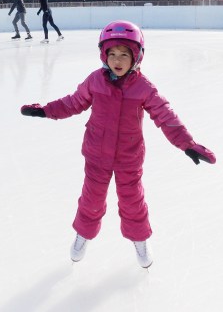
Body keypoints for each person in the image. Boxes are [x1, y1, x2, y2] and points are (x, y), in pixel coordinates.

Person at [20, 20, 216, 268]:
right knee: (91, 200)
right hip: (96, 154)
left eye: (124, 54)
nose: (117, 60)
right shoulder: (95, 80)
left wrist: (187, 144)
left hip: (128, 158)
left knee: (132, 202)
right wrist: (45, 111)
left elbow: (166, 117)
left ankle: (140, 241)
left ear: (137, 56)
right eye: (111, 53)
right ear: (104, 55)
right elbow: (72, 102)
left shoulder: (144, 88)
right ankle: (83, 236)